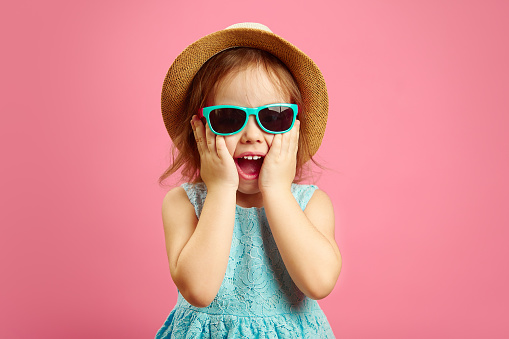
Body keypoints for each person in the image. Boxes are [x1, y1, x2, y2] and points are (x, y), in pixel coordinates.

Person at [155, 22, 342, 338]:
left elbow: (319, 282)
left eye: (273, 118)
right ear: (199, 131)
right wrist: (221, 189)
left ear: (295, 129)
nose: (252, 135)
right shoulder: (184, 203)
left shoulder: (311, 204)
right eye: (228, 119)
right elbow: (199, 290)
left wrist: (277, 190)